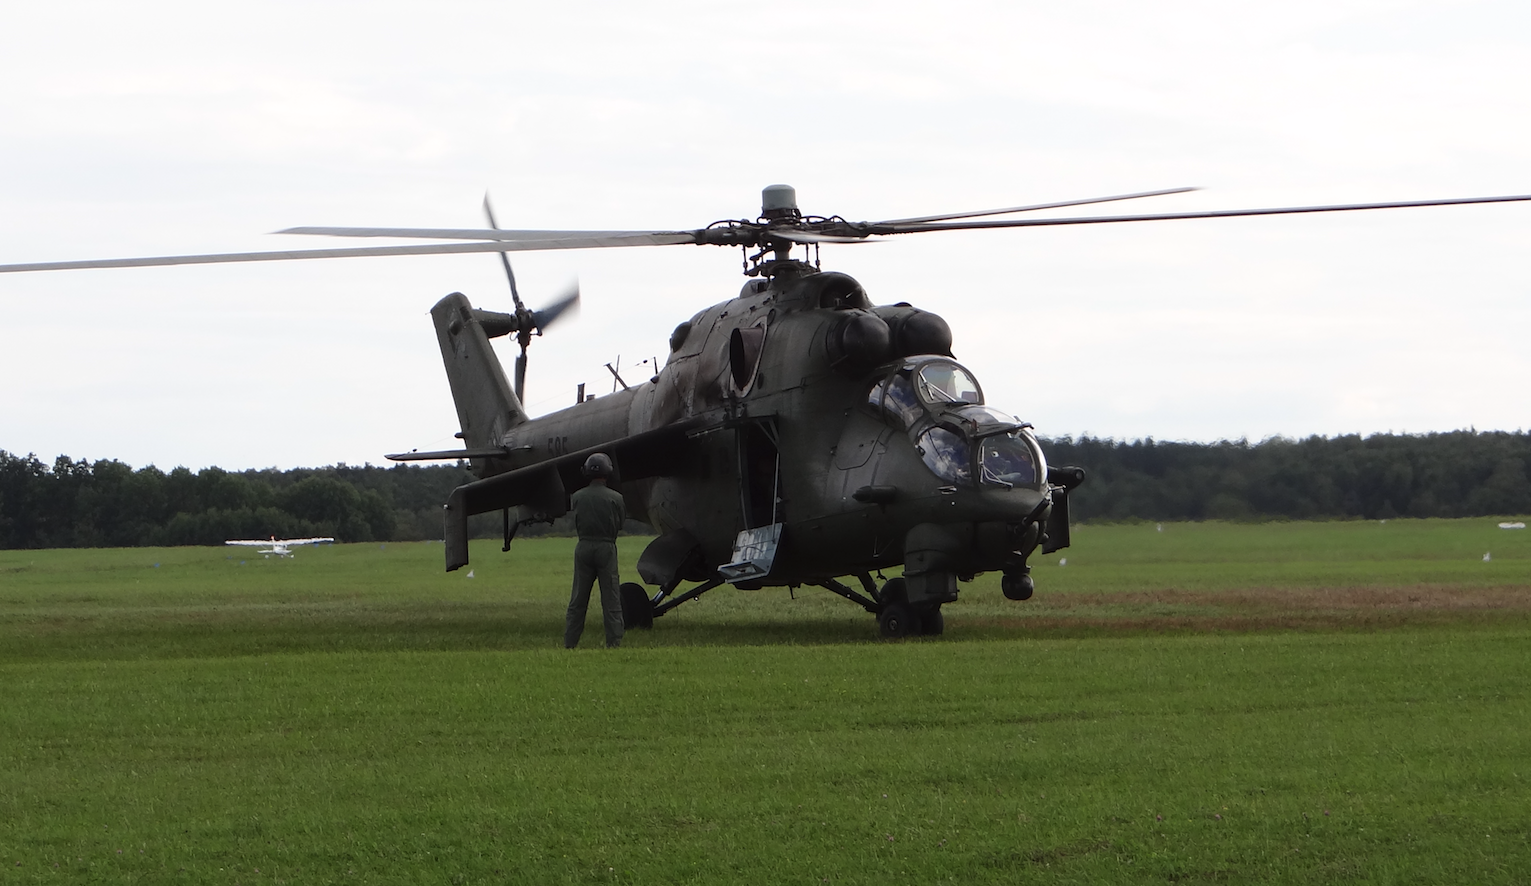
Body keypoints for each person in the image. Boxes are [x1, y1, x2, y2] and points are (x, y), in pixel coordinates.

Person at [565, 452, 626, 648]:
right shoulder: (616, 498)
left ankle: (571, 642)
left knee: (578, 598)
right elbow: (621, 522)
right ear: (608, 471)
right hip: (606, 548)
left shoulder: (577, 497)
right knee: (611, 598)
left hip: (583, 547)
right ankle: (614, 641)